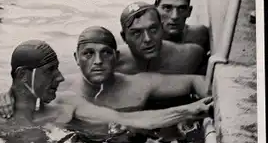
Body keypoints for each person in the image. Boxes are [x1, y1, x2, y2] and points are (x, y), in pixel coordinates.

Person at [0, 40, 213, 131]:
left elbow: (129, 120)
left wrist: (190, 110)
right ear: (23, 75)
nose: (60, 78)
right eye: (51, 71)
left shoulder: (67, 105)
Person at [73, 26, 208, 111]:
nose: (98, 61)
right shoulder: (63, 91)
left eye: (106, 53)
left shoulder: (139, 84)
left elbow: (194, 81)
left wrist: (212, 103)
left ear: (117, 57)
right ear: (76, 59)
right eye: (88, 53)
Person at [117, 2, 205, 75]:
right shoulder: (113, 64)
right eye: (137, 33)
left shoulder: (190, 56)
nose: (147, 39)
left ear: (162, 29)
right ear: (124, 37)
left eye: (153, 29)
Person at [154, 0, 210, 73]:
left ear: (189, 11)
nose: (175, 16)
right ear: (155, 10)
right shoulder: (144, 42)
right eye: (167, 8)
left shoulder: (200, 35)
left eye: (182, 8)